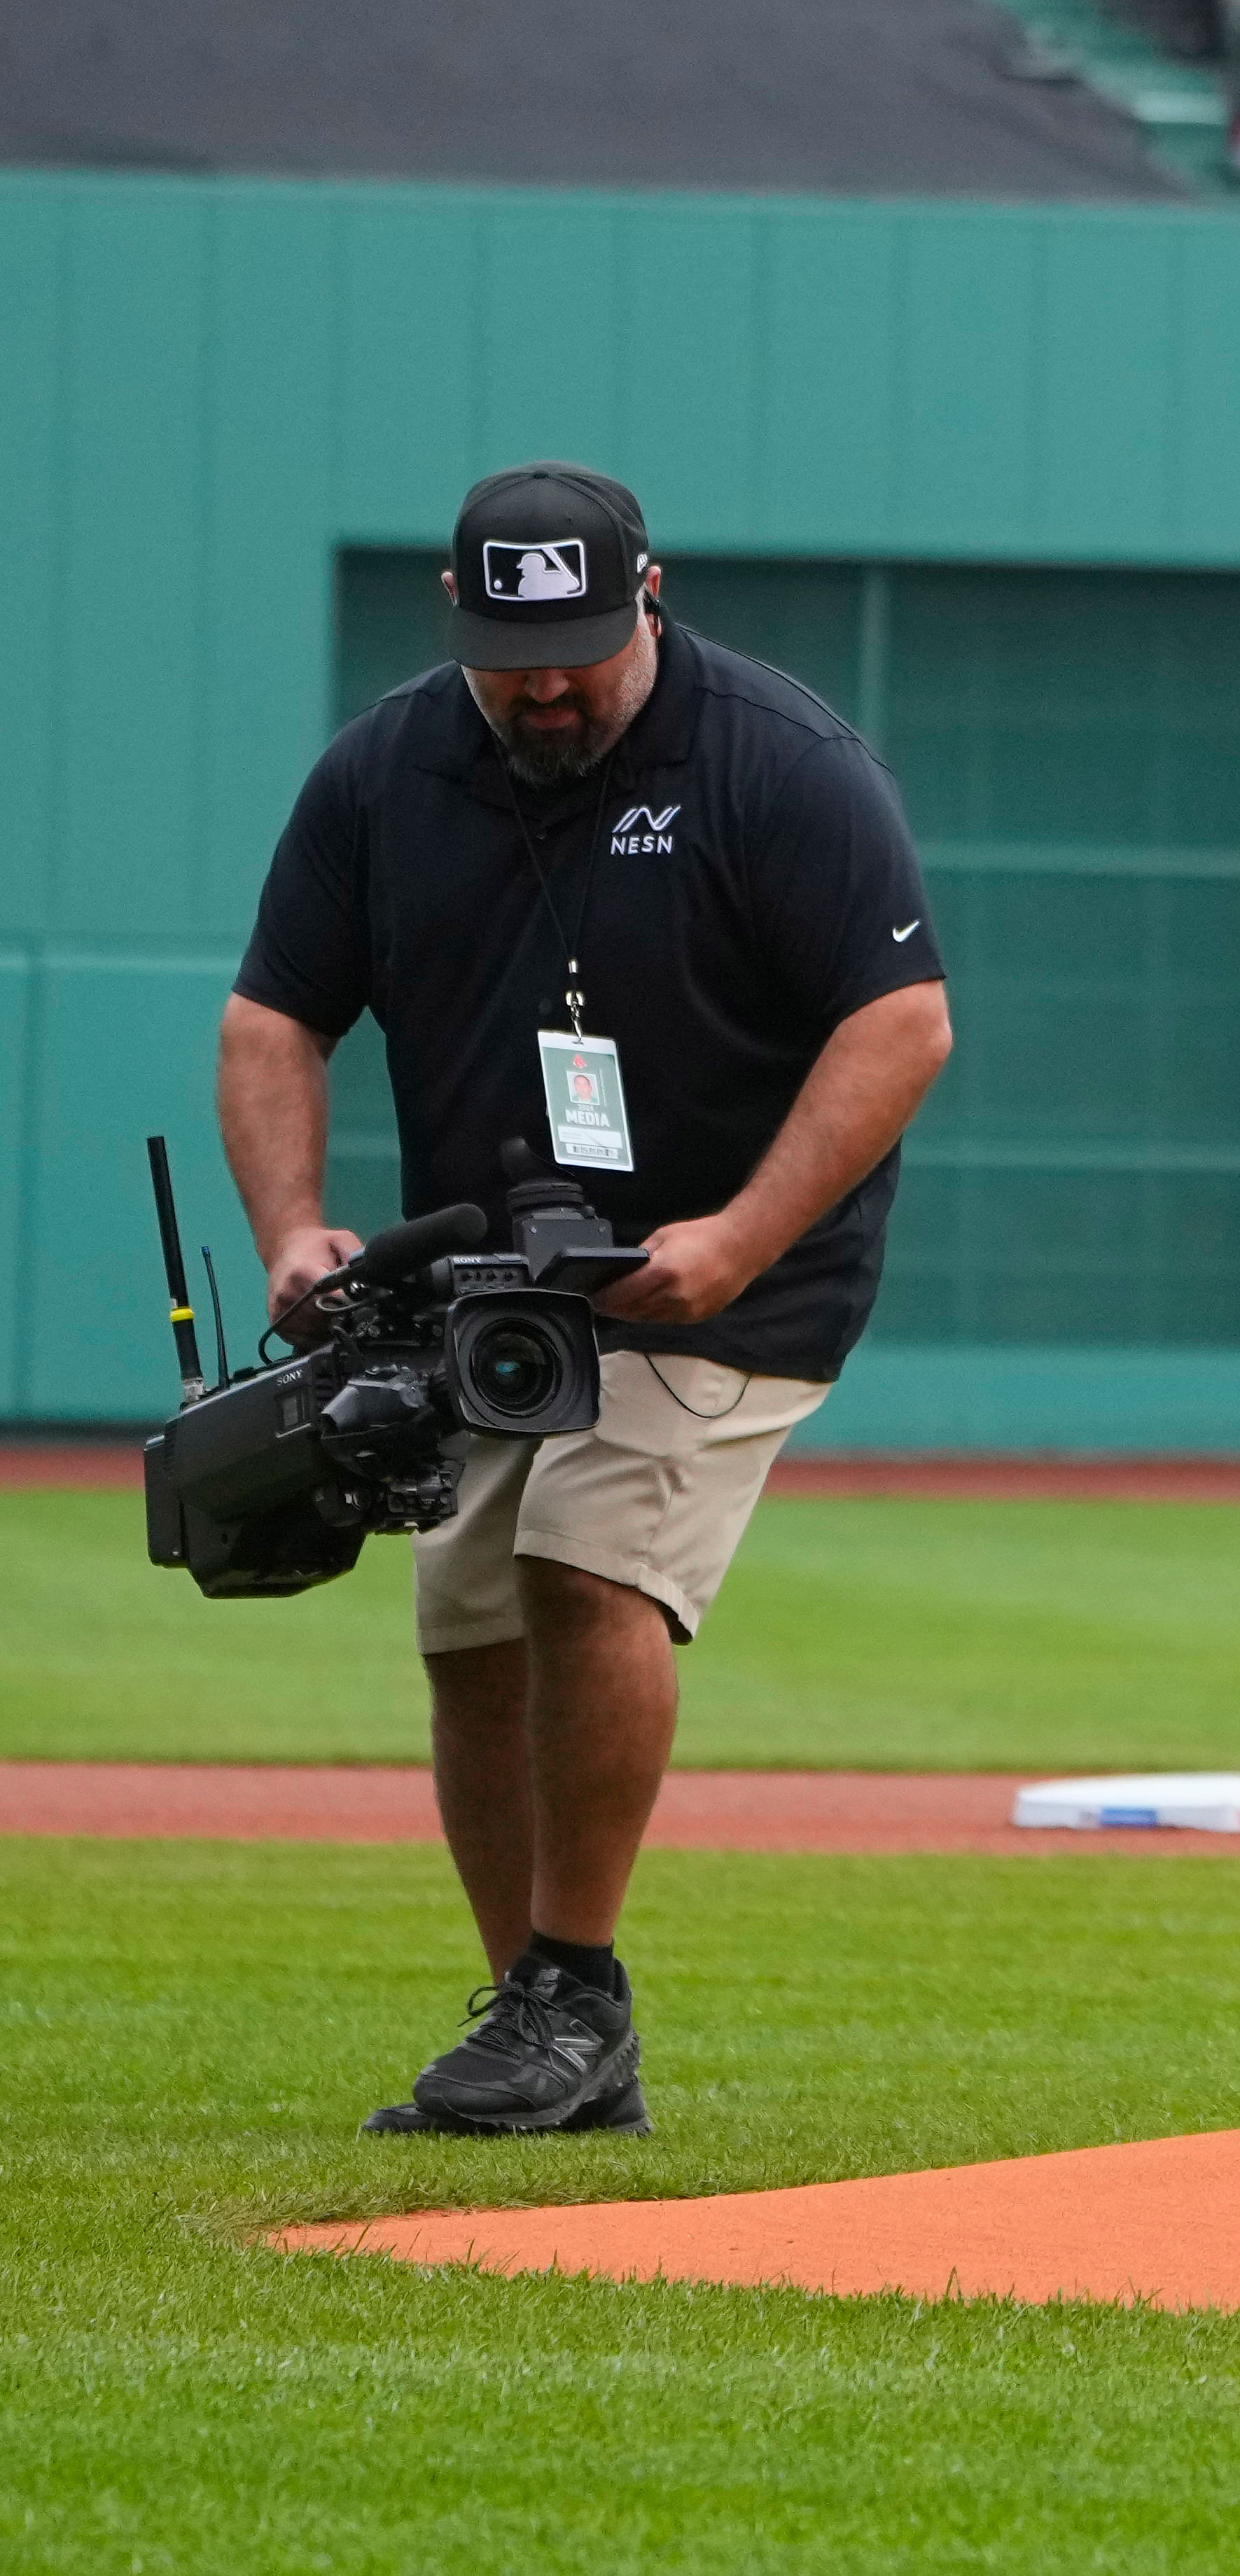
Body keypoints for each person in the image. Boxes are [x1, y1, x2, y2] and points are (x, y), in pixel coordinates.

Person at [221, 466, 954, 2136]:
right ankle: (540, 2025)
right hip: (489, 1281)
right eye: (507, 651)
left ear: (650, 595)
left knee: (580, 1561)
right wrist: (295, 1232)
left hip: (731, 1274)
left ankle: (572, 1985)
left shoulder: (781, 765)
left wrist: (742, 1237)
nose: (544, 683)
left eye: (575, 646)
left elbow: (903, 1023)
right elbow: (274, 1019)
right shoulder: (385, 771)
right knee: (467, 1621)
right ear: (454, 622)